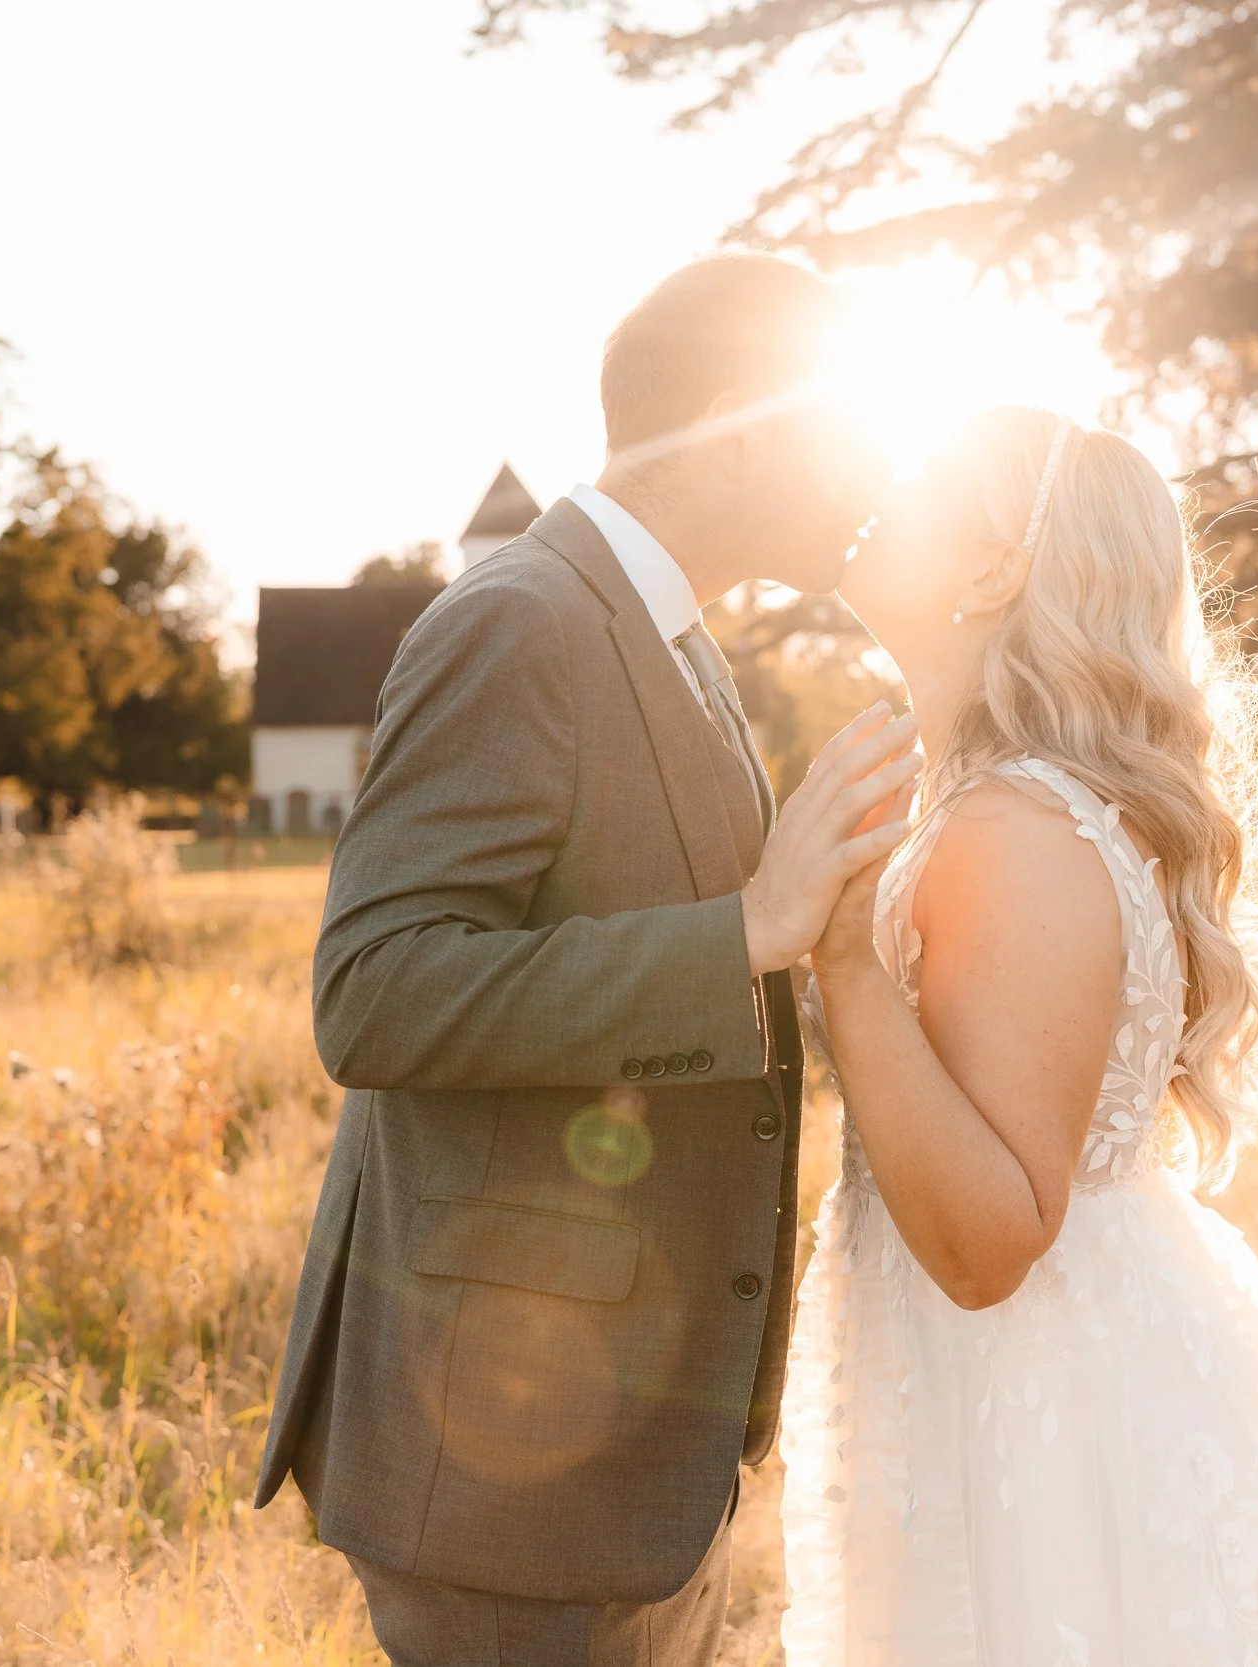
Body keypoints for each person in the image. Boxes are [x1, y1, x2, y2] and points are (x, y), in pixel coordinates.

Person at [781, 407, 1258, 1665]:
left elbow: (988, 1244)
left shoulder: (1016, 829)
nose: (881, 479)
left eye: (924, 471)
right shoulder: (988, 803)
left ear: (992, 568)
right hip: (1030, 1363)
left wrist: (837, 961)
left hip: (1036, 1399)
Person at [254, 253, 908, 1667]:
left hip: (635, 1459)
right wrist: (748, 928)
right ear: (738, 426)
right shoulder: (519, 618)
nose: (877, 473)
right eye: (850, 431)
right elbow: (375, 987)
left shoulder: (680, 641)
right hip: (504, 1463)